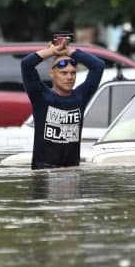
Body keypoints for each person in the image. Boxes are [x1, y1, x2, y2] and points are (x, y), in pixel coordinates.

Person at [20, 36, 105, 170]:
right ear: (52, 74)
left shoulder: (80, 97)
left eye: (73, 73)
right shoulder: (41, 96)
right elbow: (26, 64)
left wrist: (70, 51)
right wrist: (52, 52)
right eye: (63, 73)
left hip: (72, 171)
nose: (69, 77)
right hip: (44, 171)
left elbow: (98, 66)